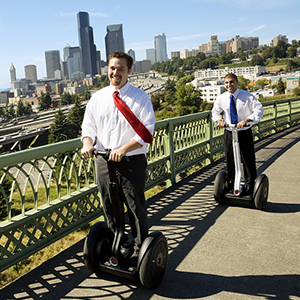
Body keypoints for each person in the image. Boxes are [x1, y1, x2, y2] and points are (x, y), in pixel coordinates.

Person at [81, 51, 155, 263]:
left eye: (121, 68)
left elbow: (146, 132)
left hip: (131, 161)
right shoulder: (98, 97)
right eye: (112, 68)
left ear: (129, 71)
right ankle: (119, 245)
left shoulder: (141, 97)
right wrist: (87, 143)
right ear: (108, 70)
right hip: (104, 160)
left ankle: (142, 251)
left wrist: (124, 149)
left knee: (135, 207)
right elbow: (89, 126)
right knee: (110, 206)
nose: (116, 72)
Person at [212, 73, 264, 194]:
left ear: (237, 82)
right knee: (230, 157)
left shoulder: (247, 96)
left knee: (247, 158)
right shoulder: (222, 98)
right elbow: (215, 112)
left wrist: (246, 120)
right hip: (229, 131)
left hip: (243, 131)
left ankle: (250, 184)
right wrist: (219, 120)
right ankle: (231, 182)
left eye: (231, 82)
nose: (229, 85)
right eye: (226, 83)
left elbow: (259, 110)